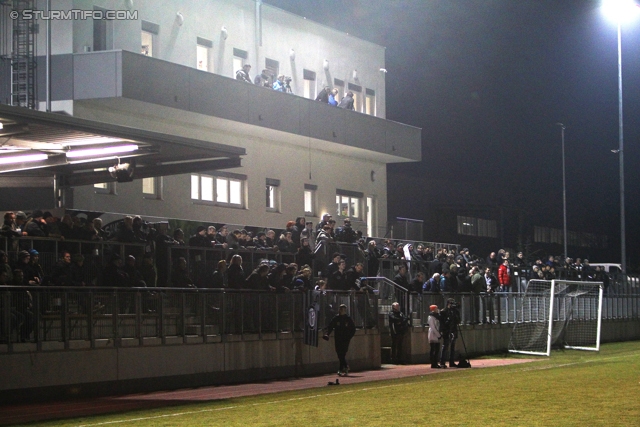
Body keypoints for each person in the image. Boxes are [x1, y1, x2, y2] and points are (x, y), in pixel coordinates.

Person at [323, 304, 356, 376]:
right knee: (339, 353)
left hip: (345, 339)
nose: (341, 311)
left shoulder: (348, 319)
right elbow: (330, 326)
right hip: (338, 338)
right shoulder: (336, 318)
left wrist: (349, 336)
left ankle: (341, 368)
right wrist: (327, 334)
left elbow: (353, 329)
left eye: (343, 309)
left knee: (343, 353)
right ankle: (345, 366)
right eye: (341, 309)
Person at [439, 298, 461, 368]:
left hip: (453, 329)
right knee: (445, 346)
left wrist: (455, 316)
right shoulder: (443, 311)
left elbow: (458, 321)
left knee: (453, 347)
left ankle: (451, 362)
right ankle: (442, 362)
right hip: (446, 330)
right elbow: (442, 323)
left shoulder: (455, 311)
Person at [427, 304, 442, 368]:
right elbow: (433, 327)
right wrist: (438, 335)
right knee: (433, 349)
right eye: (436, 308)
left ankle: (436, 362)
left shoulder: (437, 316)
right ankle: (433, 363)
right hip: (433, 334)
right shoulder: (431, 317)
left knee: (437, 350)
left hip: (436, 333)